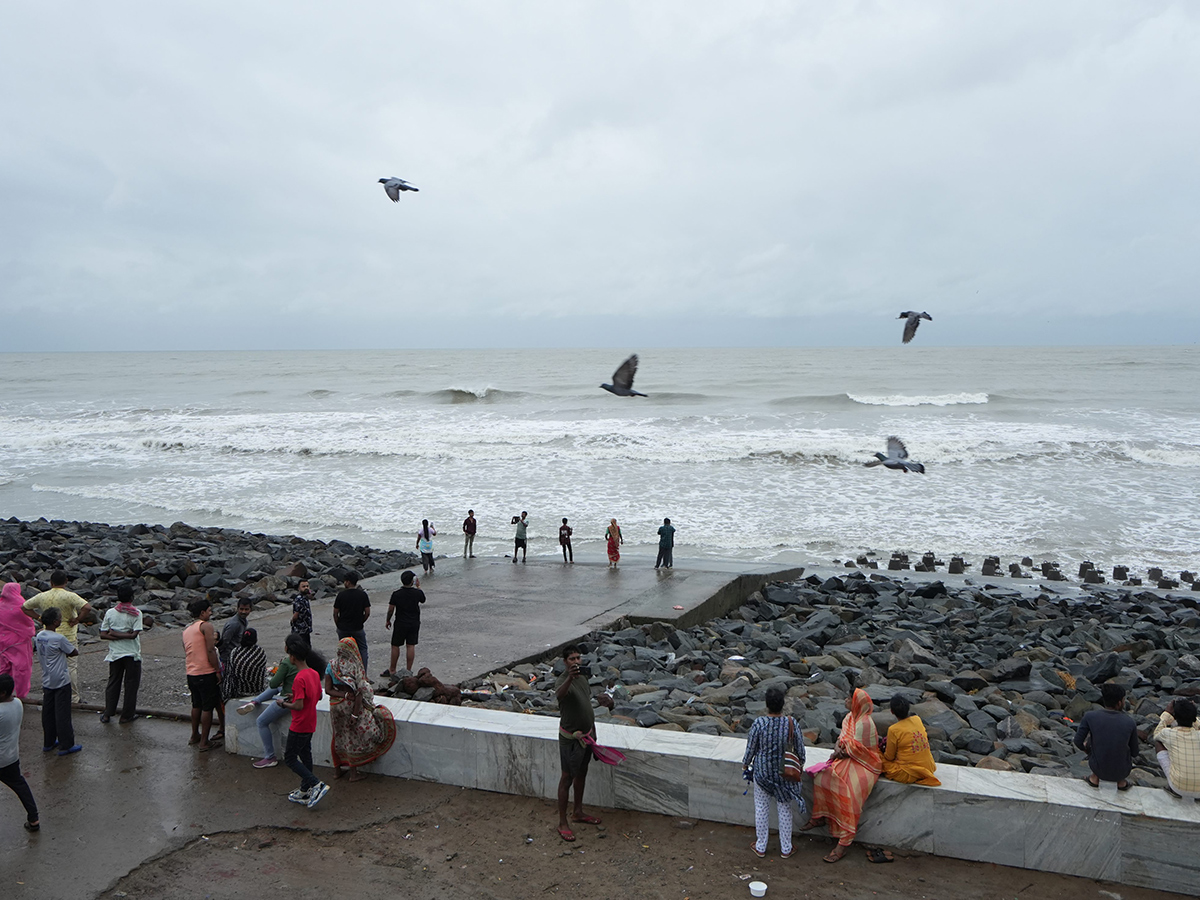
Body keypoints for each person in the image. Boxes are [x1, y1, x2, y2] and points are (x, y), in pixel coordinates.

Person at [802, 688, 883, 862]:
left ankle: (843, 843)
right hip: (847, 758)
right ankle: (820, 817)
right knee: (822, 777)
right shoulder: (849, 718)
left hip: (865, 764)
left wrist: (838, 753)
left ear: (856, 703)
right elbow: (842, 739)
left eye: (849, 698)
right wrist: (838, 749)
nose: (845, 700)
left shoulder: (865, 722)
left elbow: (858, 751)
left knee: (851, 793)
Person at [555, 644, 612, 841]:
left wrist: (593, 732)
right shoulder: (564, 681)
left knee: (582, 773)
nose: (576, 662)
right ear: (565, 662)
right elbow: (559, 695)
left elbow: (586, 704)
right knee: (567, 778)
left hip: (587, 736)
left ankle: (577, 812)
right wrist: (570, 677)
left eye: (578, 658)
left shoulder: (583, 678)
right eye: (572, 659)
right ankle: (563, 822)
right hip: (571, 740)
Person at [742, 686, 805, 858]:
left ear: (767, 705)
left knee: (761, 808)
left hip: (762, 773)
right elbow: (800, 751)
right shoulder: (791, 723)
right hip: (785, 775)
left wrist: (745, 764)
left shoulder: (759, 724)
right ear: (783, 704)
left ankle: (761, 846)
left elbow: (751, 749)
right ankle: (786, 848)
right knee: (784, 809)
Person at [325, 637, 397, 782]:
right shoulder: (355, 666)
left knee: (338, 736)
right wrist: (355, 715)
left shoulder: (332, 665)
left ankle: (337, 771)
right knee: (352, 738)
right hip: (350, 706)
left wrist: (342, 694)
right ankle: (353, 774)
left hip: (335, 706)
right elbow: (359, 693)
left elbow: (328, 690)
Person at [276, 633, 330, 809]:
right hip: (310, 722)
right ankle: (304, 789)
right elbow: (317, 695)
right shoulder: (313, 673)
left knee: (291, 758)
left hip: (299, 724)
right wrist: (296, 696)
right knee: (306, 755)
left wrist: (284, 703)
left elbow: (298, 706)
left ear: (292, 656)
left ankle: (315, 784)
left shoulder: (299, 678)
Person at [22, 571, 92, 704]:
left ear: (51, 583)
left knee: (49, 665)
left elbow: (24, 607)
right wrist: (77, 620)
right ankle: (73, 697)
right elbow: (87, 607)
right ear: (66, 582)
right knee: (71, 666)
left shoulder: (42, 596)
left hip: (47, 635)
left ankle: (49, 693)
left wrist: (39, 617)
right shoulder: (70, 596)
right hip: (67, 634)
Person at [238, 649, 300, 769]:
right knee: (277, 689)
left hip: (287, 699)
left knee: (261, 722)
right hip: (296, 695)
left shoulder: (287, 663)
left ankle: (270, 756)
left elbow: (273, 683)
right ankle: (255, 701)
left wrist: (281, 676)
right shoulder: (305, 663)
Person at [1074, 682, 1137, 790]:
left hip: (1098, 767)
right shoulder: (1129, 722)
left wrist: (1087, 750)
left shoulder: (1090, 716)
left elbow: (1077, 741)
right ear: (1119, 703)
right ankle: (1121, 782)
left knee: (1094, 740)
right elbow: (1135, 752)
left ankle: (1094, 779)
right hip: (1122, 771)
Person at [35, 608, 80, 756]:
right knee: (63, 713)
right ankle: (66, 744)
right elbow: (73, 651)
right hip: (60, 679)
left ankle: (48, 742)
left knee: (48, 712)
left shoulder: (40, 635)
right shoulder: (58, 638)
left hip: (47, 678)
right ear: (56, 622)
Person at [99, 585, 143, 724]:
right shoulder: (136, 613)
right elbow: (133, 635)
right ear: (132, 598)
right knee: (131, 686)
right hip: (132, 654)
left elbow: (103, 634)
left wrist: (114, 634)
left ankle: (108, 713)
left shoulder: (110, 613)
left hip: (115, 654)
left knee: (113, 683)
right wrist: (125, 634)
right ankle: (126, 715)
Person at [182, 598, 222, 751]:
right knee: (208, 707)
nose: (211, 613)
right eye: (209, 610)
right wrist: (217, 670)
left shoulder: (186, 631)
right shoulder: (206, 626)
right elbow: (211, 650)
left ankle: (194, 735)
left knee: (196, 704)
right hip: (205, 672)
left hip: (191, 672)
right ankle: (204, 742)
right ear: (202, 612)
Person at [0, 673, 39, 832]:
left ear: (2, 693)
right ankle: (34, 818)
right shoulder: (17, 703)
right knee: (20, 786)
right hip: (11, 757)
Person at [882, 695, 940, 786]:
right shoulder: (917, 719)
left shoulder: (893, 730)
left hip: (909, 773)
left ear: (892, 711)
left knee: (879, 757)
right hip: (929, 767)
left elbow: (889, 757)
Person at [1154, 698, 1200, 800]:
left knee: (1159, 742)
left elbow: (1157, 734)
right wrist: (1192, 712)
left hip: (1178, 788)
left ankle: (1172, 787)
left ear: (1174, 716)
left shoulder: (1169, 733)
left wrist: (1166, 714)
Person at [384, 570, 425, 678]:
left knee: (395, 645)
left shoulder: (396, 594)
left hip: (401, 622)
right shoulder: (417, 593)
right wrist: (419, 586)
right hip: (414, 622)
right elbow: (423, 600)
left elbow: (391, 609)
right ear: (412, 581)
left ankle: (392, 669)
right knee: (410, 645)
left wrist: (388, 620)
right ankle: (408, 670)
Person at [0, 582, 35, 699]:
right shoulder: (21, 605)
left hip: (3, 642)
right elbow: (29, 624)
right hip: (19, 642)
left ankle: (3, 692)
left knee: (4, 668)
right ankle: (21, 695)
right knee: (22, 669)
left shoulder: (0, 604)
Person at [332, 571, 370, 672]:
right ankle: (363, 673)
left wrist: (338, 624)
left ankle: (344, 672)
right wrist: (361, 621)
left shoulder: (341, 595)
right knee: (362, 649)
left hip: (343, 627)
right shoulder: (362, 595)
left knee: (343, 650)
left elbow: (335, 613)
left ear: (348, 582)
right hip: (357, 626)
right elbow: (367, 612)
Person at [224, 628, 267, 703]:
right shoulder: (259, 652)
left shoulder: (235, 652)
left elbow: (229, 673)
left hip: (238, 691)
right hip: (256, 691)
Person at [219, 599, 252, 671]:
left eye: (246, 609)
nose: (243, 612)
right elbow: (224, 641)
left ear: (250, 610)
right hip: (228, 659)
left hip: (236, 657)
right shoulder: (234, 624)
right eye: (241, 609)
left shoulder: (244, 621)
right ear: (237, 609)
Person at [290, 580, 313, 648]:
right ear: (299, 588)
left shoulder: (305, 598)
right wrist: (293, 621)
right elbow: (296, 613)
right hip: (300, 629)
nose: (306, 588)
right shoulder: (299, 599)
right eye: (303, 586)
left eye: (307, 586)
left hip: (306, 628)